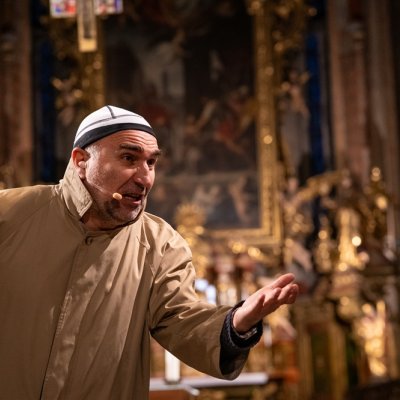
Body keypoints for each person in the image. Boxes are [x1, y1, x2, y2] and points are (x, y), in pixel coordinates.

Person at [0, 105, 298, 400]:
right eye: (129, 158)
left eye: (151, 162)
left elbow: (183, 321)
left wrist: (236, 324)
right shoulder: (10, 215)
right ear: (81, 160)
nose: (145, 178)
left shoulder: (161, 246)